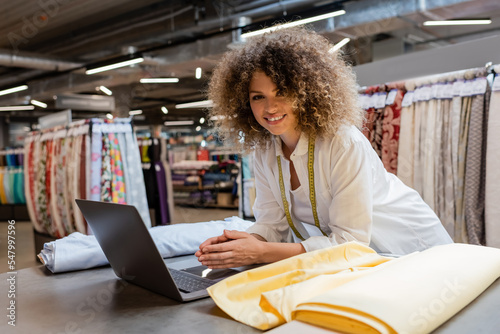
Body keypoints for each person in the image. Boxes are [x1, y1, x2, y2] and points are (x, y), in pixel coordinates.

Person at [195, 26, 452, 269]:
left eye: (281, 92)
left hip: (413, 248)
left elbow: (350, 243)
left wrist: (261, 252)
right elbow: (273, 225)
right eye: (258, 97)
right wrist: (239, 244)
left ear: (306, 93)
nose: (269, 108)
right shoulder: (264, 151)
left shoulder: (342, 142)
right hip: (359, 261)